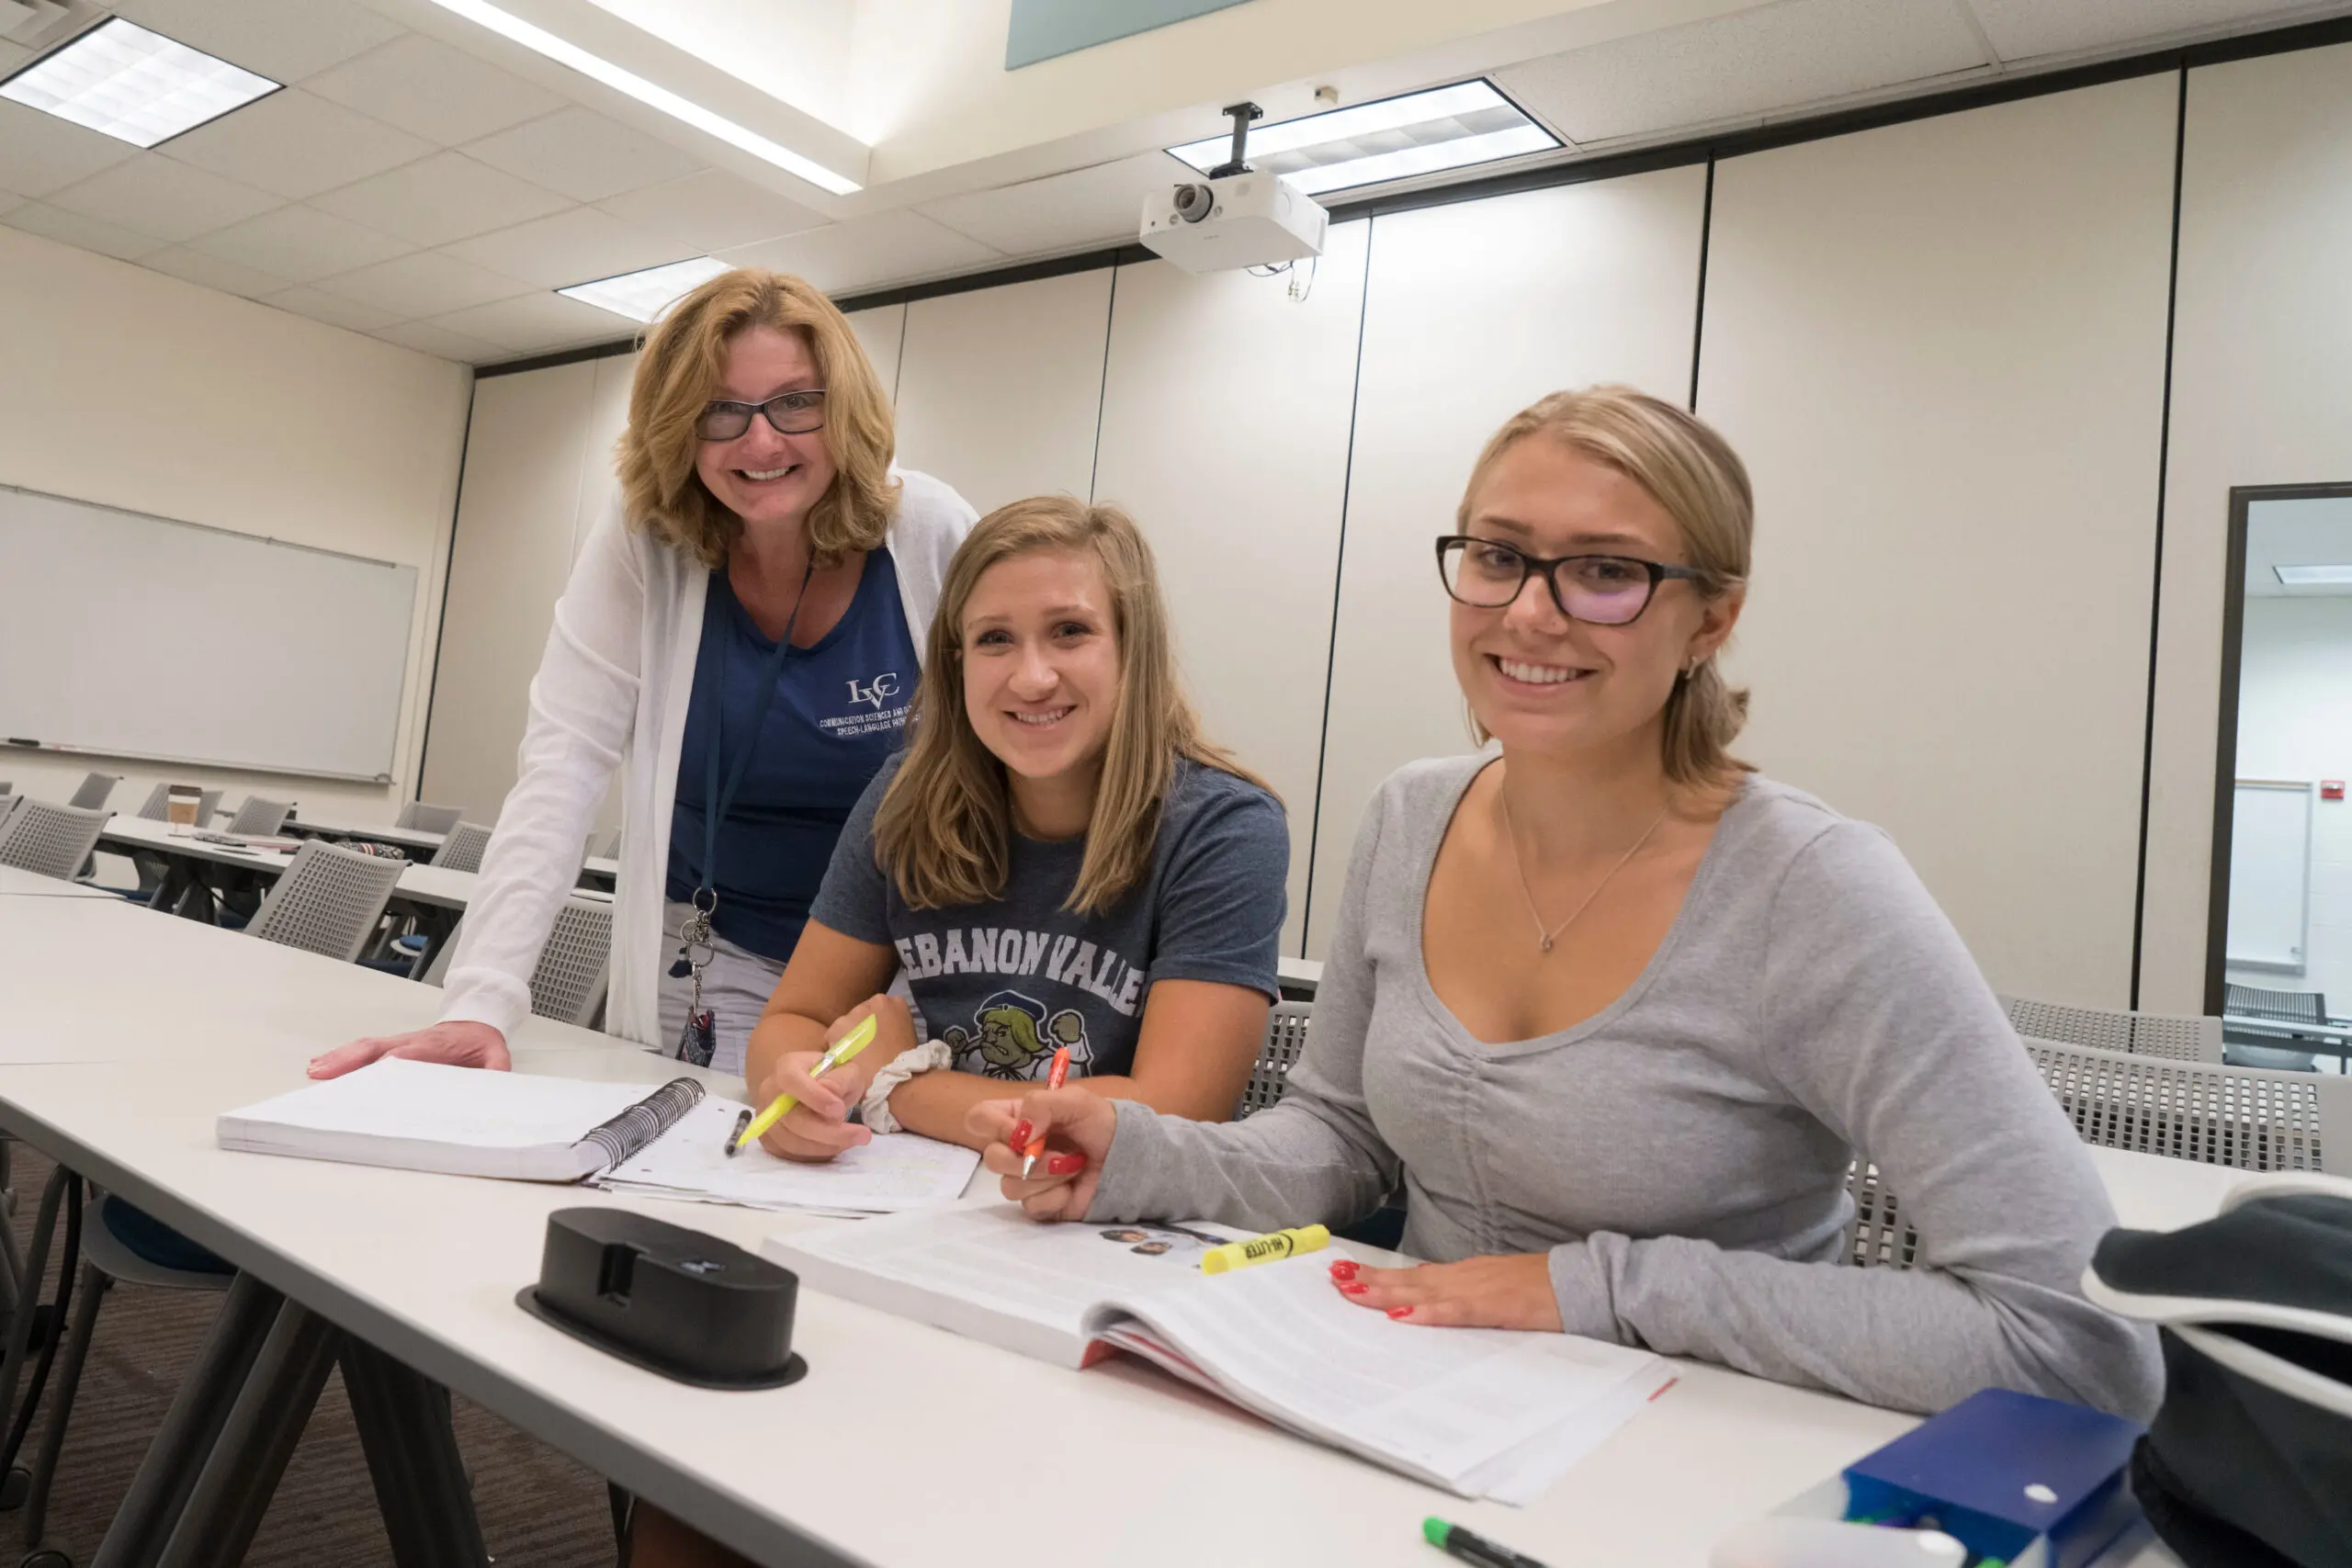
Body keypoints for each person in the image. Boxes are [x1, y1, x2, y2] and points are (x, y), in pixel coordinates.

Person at [965, 387, 2165, 1420]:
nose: (1529, 612)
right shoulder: (1411, 813)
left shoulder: (1816, 886)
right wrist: (1139, 1153)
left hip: (1699, 1444)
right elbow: (1338, 1142)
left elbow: (2082, 1338)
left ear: (1713, 617)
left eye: (1606, 571)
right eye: (1497, 555)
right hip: (1408, 1400)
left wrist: (1592, 1286)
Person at [310, 269, 976, 1081]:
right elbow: (563, 764)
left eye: (797, 402)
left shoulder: (928, 530)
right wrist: (480, 1000)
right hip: (715, 955)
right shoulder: (645, 541)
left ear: (845, 407)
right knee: (711, 1159)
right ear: (677, 428)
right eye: (720, 411)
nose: (761, 442)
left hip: (908, 966)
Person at [739, 495, 1289, 1159]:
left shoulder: (1222, 830)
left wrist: (900, 1085)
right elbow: (791, 1022)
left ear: (1131, 649)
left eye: (1070, 631)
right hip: (934, 1196)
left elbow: (1175, 1109)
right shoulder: (906, 797)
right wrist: (797, 1085)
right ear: (957, 661)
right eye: (994, 638)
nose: (1032, 678)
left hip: (1114, 1231)